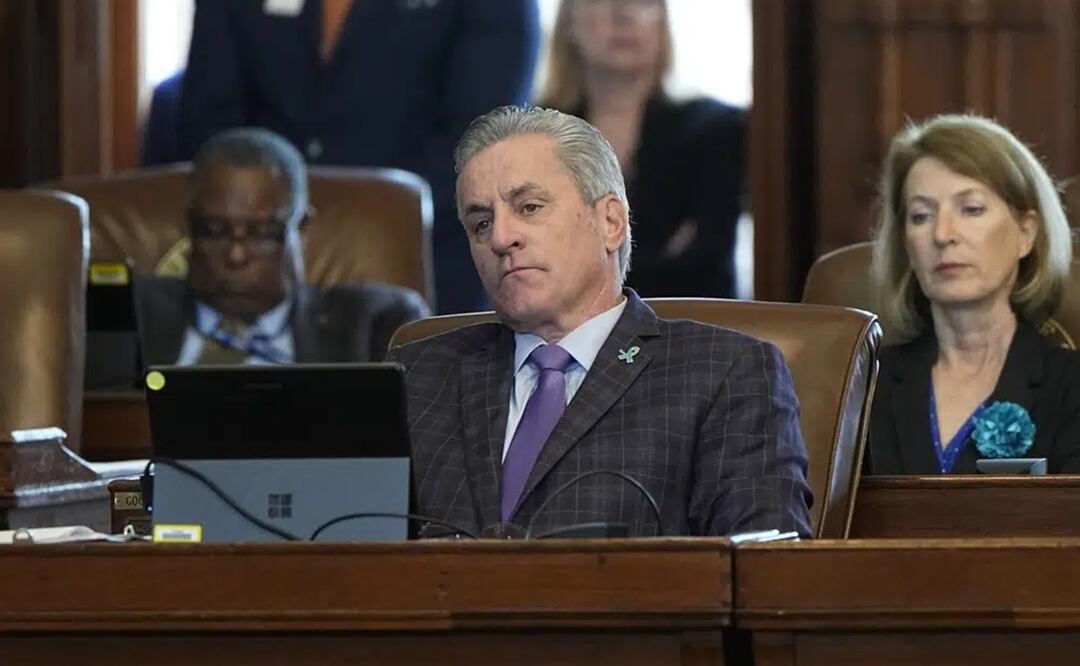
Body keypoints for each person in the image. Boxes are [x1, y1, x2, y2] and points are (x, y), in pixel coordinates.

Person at [386, 106, 812, 538]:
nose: (500, 238)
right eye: (480, 223)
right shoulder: (419, 375)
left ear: (610, 221)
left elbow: (769, 574)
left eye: (529, 207)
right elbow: (344, 558)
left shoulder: (723, 372)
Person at [178, 0, 541, 314]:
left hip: (431, 264)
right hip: (251, 262)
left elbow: (482, 138)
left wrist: (355, 235)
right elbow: (210, 121)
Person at [868, 114, 1080, 475]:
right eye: (921, 216)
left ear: (1026, 233)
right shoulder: (867, 386)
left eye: (971, 209)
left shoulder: (1070, 386)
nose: (943, 234)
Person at [136, 128, 429, 366]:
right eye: (214, 231)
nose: (236, 255)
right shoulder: (128, 315)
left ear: (301, 230)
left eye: (263, 234)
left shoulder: (377, 325)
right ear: (189, 225)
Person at [537, 0, 744, 298]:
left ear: (663, 22)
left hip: (687, 331)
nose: (624, 14)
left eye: (644, 1)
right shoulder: (535, 137)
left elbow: (702, 269)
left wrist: (577, 269)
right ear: (568, 22)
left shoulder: (714, 131)